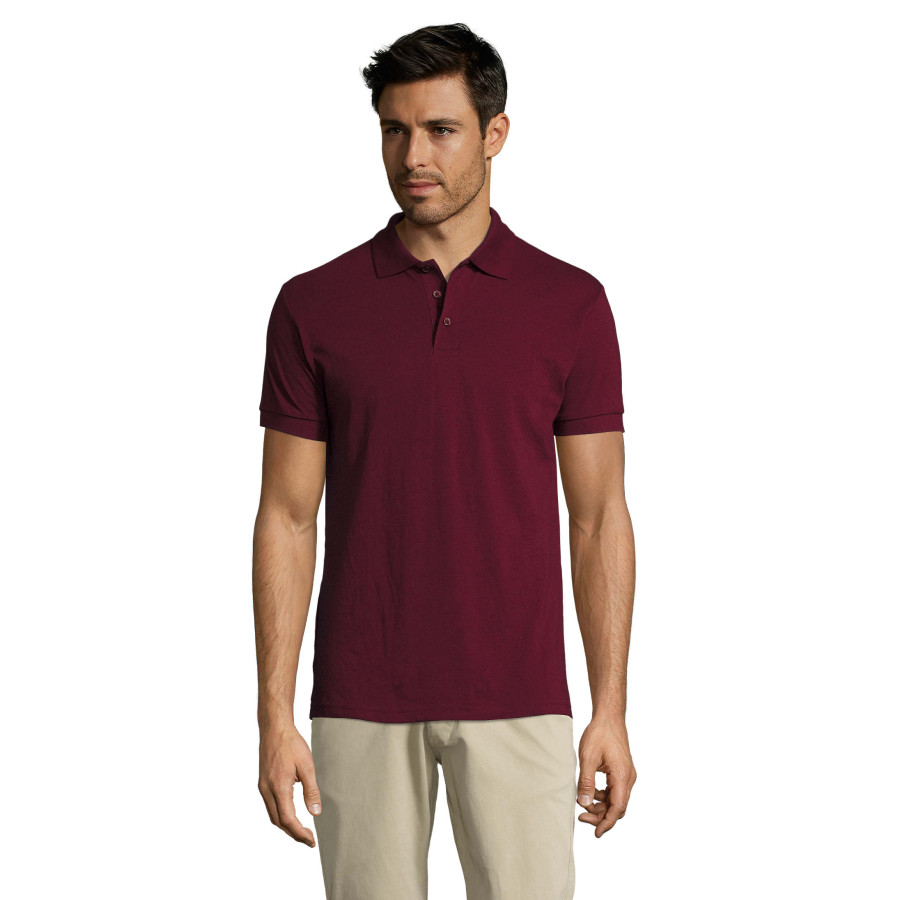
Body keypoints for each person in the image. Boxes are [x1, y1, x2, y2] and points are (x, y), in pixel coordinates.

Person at [252, 22, 637, 900]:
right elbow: (287, 516)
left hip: (520, 696)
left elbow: (597, 517)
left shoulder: (571, 304)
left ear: (495, 134)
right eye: (394, 130)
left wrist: (609, 707)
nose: (413, 155)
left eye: (440, 129)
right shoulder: (313, 306)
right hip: (358, 698)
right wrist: (274, 716)